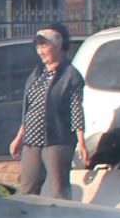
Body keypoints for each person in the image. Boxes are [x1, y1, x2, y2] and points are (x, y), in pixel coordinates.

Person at [17, 28, 89, 198]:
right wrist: (19, 137)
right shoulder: (37, 73)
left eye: (44, 46)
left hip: (58, 139)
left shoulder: (71, 75)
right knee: (28, 186)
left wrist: (81, 142)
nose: (40, 51)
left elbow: (76, 108)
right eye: (38, 47)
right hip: (32, 140)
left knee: (59, 189)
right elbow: (30, 108)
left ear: (57, 47)